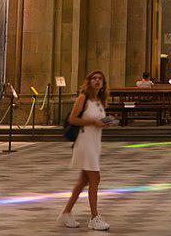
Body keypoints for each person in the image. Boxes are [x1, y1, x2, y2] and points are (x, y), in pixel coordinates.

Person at [59, 70, 113, 231]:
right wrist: (93, 122)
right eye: (94, 78)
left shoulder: (100, 101)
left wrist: (104, 122)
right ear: (88, 82)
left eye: (100, 79)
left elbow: (97, 121)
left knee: (83, 181)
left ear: (103, 83)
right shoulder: (83, 98)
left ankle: (66, 213)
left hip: (94, 143)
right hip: (84, 142)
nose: (97, 81)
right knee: (95, 178)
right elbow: (72, 119)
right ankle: (94, 217)